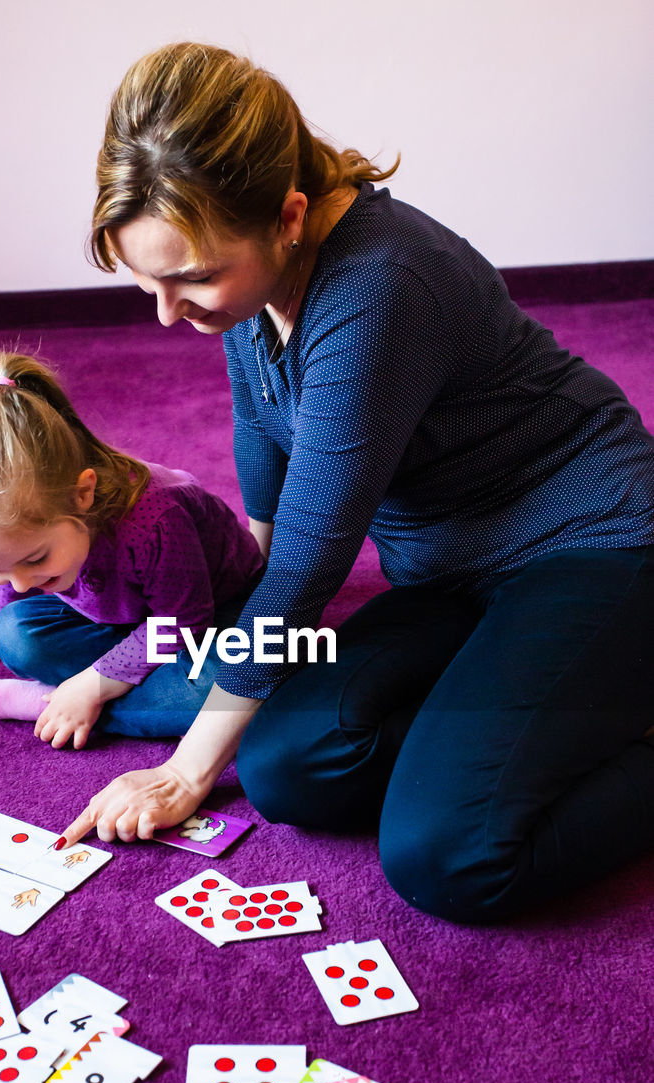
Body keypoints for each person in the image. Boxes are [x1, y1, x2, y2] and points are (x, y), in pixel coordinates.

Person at [57, 41, 654, 923]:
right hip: (450, 569)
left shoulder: (379, 284)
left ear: (288, 214)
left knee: (448, 856)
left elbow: (304, 565)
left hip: (594, 542)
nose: (168, 311)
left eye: (189, 279)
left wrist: (185, 769)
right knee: (286, 767)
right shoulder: (248, 275)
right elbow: (265, 455)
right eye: (145, 280)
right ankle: (565, 715)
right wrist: (192, 633)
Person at [0, 350, 264, 749]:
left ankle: (46, 700)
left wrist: (94, 685)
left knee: (226, 685)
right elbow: (15, 585)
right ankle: (94, 692)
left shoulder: (155, 520)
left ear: (83, 494)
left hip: (210, 613)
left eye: (34, 560)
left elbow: (183, 621)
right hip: (127, 615)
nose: (22, 584)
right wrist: (3, 623)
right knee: (15, 635)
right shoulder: (26, 548)